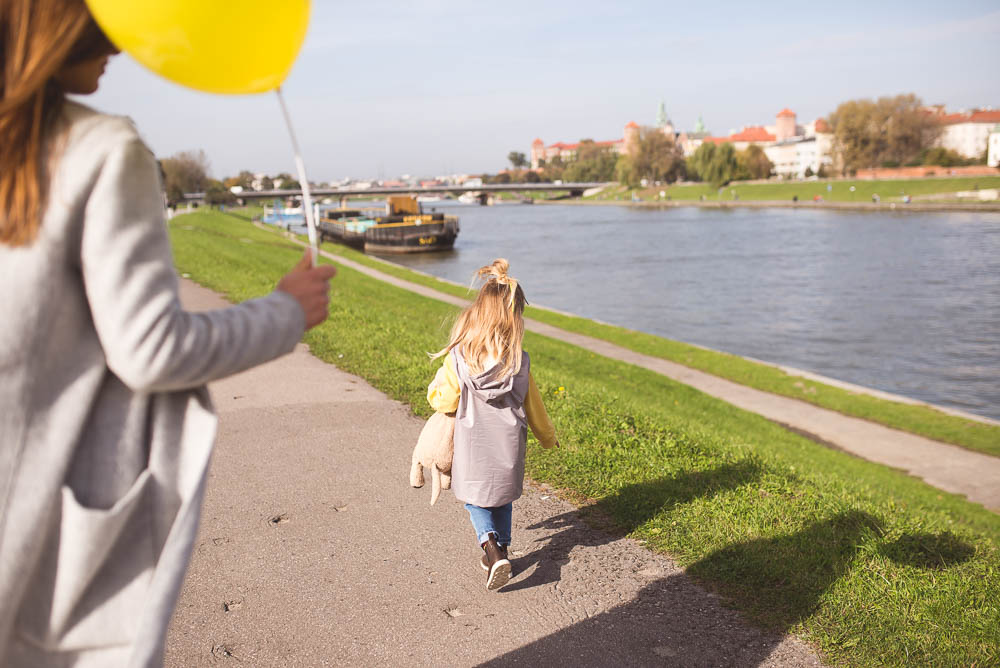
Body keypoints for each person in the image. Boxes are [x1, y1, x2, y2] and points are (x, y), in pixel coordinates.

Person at [0, 1, 336, 665]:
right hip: (37, 528)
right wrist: (286, 311)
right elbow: (149, 350)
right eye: (103, 24)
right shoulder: (100, 151)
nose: (122, 48)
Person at [426, 260, 558, 591]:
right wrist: (547, 436)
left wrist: (437, 396)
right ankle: (503, 551)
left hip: (473, 447)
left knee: (476, 499)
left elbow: (444, 400)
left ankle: (491, 546)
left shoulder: (461, 357)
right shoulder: (519, 362)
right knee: (502, 498)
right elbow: (534, 405)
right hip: (508, 445)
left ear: (479, 314)